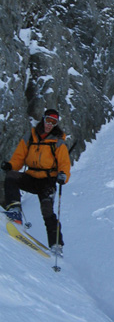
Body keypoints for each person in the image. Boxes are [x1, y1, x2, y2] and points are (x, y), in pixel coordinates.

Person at [1, 108, 71, 253]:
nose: (49, 124)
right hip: (31, 177)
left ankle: (56, 245)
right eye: (48, 120)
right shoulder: (31, 136)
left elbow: (64, 163)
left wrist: (63, 175)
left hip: (47, 180)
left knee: (47, 211)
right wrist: (11, 165)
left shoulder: (58, 142)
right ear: (43, 119)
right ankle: (15, 211)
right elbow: (19, 157)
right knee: (12, 176)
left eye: (53, 122)